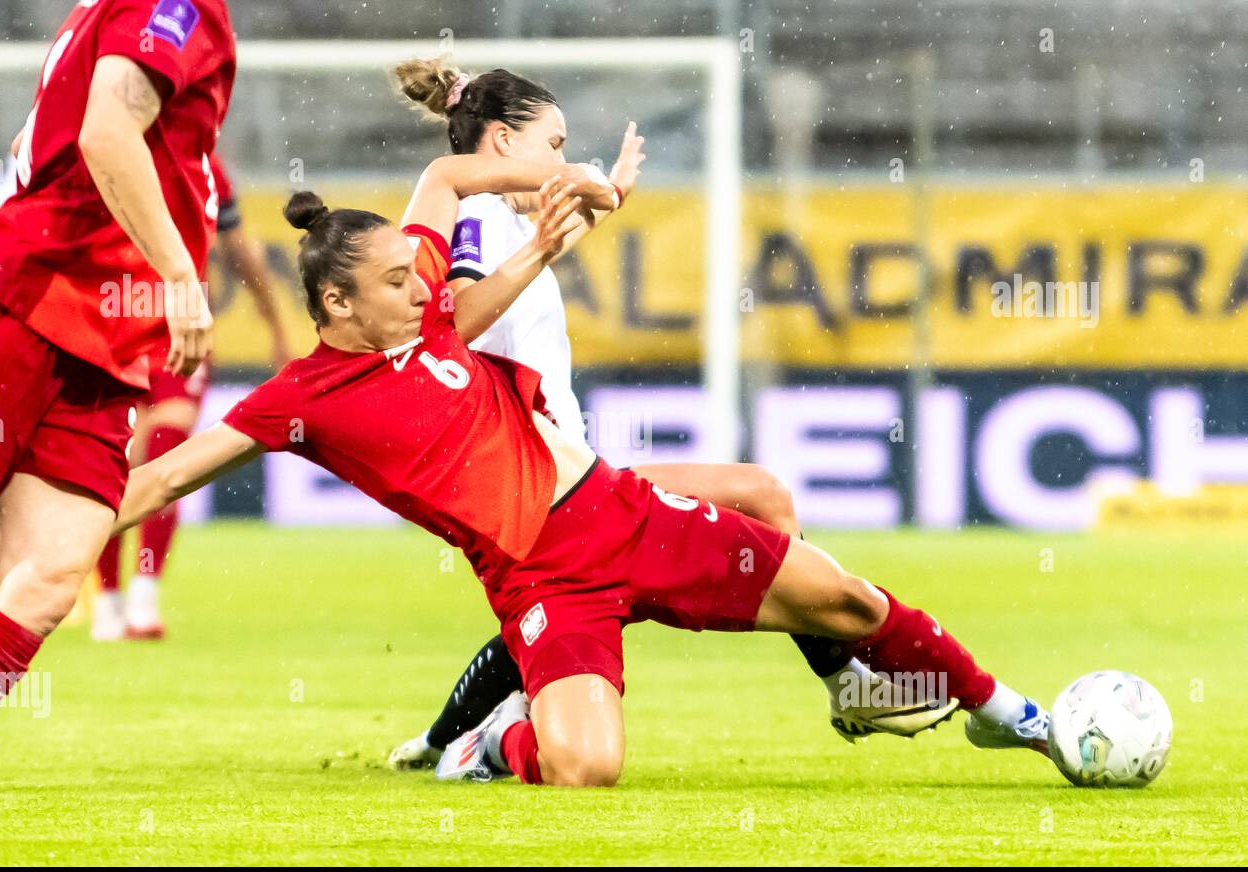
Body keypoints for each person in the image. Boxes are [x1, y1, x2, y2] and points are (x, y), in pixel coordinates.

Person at [103, 170, 1051, 789]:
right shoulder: (299, 397)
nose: (424, 286)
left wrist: (551, 195)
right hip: (542, 580)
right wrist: (58, 536)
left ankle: (1017, 718)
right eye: (398, 280)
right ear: (336, 302)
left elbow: (446, 176)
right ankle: (487, 745)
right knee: (586, 769)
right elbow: (163, 477)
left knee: (843, 599)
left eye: (416, 269)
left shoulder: (426, 312)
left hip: (624, 512)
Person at [385, 59, 956, 771]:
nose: (563, 159)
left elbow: (557, 234)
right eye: (554, 144)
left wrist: (607, 194)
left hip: (565, 479)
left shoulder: (503, 220)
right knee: (755, 500)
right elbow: (458, 320)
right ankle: (844, 681)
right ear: (500, 143)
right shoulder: (477, 218)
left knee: (563, 610)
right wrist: (560, 224)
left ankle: (444, 742)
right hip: (541, 483)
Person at [0, 0, 236, 760]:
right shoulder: (168, 3)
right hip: (23, 304)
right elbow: (106, 128)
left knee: (48, 576)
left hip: (101, 348)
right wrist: (178, 271)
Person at [92, 153, 292, 640]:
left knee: (165, 453)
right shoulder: (100, 147)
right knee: (112, 462)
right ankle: (109, 599)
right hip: (109, 326)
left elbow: (240, 249)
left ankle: (144, 596)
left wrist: (274, 322)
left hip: (178, 330)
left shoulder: (206, 166)